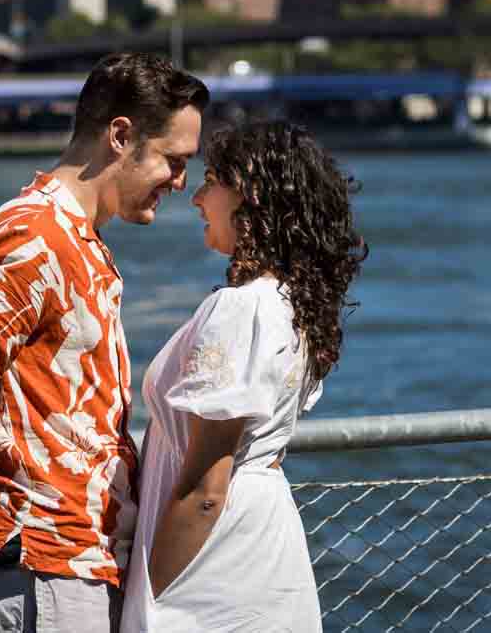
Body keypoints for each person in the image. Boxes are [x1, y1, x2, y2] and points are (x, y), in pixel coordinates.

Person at [0, 51, 210, 633]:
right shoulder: (35, 237)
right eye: (173, 161)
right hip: (36, 573)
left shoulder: (76, 240)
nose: (180, 183)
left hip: (65, 570)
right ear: (120, 136)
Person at [121, 120, 368, 633]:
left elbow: (207, 488)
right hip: (258, 533)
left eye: (212, 181)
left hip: (213, 552)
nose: (196, 199)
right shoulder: (291, 305)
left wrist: (153, 590)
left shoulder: (240, 308)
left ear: (250, 197)